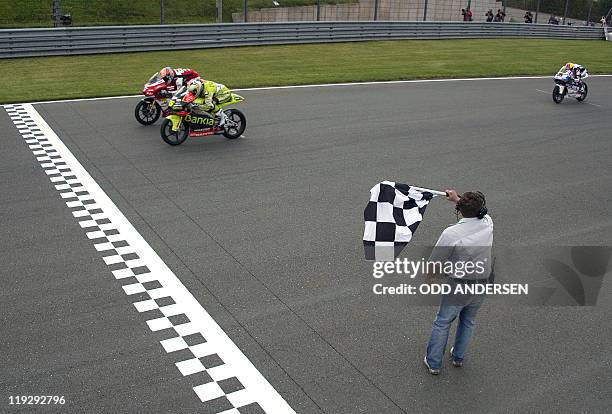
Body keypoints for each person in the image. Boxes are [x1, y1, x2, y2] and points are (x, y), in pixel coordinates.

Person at [423, 190, 494, 375]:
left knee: (443, 321)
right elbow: (478, 211)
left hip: (459, 285)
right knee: (468, 320)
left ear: (459, 210)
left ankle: (434, 363)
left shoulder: (452, 233)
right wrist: (457, 199)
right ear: (482, 209)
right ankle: (458, 357)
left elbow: (435, 262)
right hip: (483, 281)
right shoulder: (488, 223)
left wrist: (429, 279)